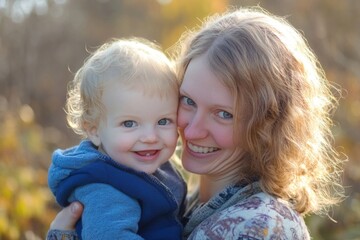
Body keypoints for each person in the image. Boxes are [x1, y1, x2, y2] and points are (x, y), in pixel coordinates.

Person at [47, 6, 344, 239]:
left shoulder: (259, 227)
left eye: (223, 114)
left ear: (268, 124)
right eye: (188, 101)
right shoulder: (181, 202)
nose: (190, 129)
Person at [47, 38, 186, 239]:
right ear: (94, 130)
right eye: (129, 124)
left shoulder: (143, 166)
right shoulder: (107, 189)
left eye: (163, 121)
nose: (150, 137)